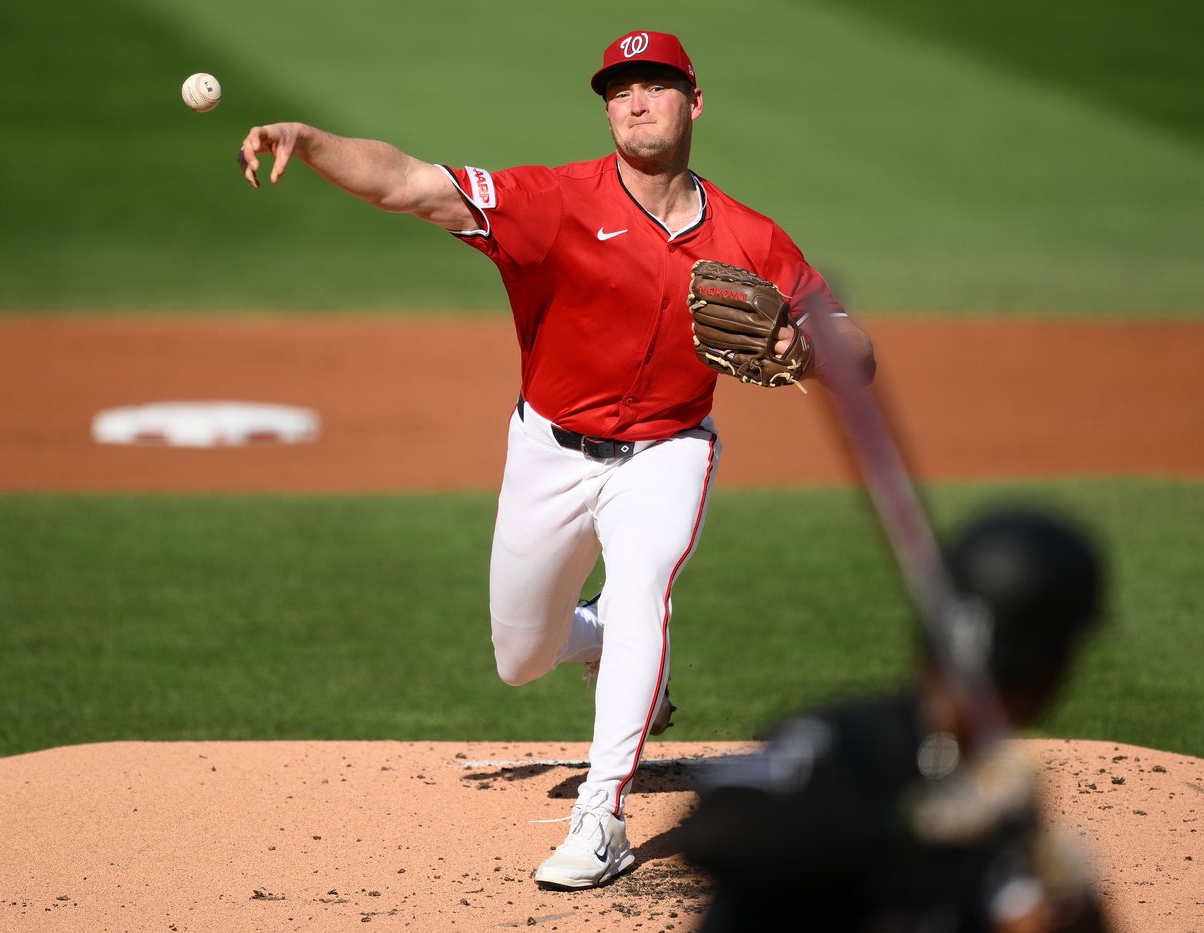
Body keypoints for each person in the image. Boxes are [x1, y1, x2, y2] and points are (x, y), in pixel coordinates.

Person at [237, 30, 876, 890]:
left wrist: (808, 348)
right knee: (521, 656)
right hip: (548, 449)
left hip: (668, 449)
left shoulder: (752, 236)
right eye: (620, 90)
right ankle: (602, 636)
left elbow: (849, 343)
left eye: (654, 85)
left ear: (695, 101)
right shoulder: (555, 202)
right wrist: (308, 142)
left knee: (646, 583)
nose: (636, 101)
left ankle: (601, 814)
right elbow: (409, 183)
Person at [681, 507, 1111, 931]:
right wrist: (910, 822)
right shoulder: (848, 740)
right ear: (1046, 663)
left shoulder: (998, 803)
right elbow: (714, 830)